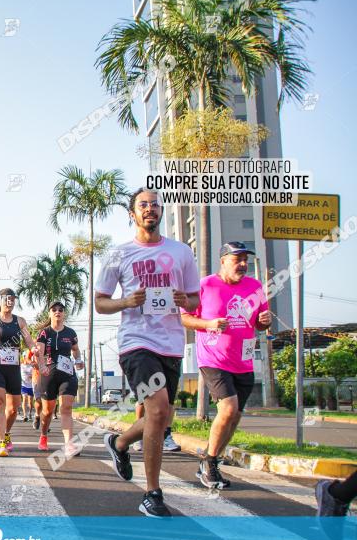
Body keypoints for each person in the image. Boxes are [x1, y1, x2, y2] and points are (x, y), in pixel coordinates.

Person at [95, 188, 199, 517]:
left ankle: (120, 443)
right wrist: (126, 301)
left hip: (171, 343)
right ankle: (152, 493)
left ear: (161, 212)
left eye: (155, 205)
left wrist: (186, 301)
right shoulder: (118, 254)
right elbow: (100, 302)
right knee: (156, 411)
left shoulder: (181, 252)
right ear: (133, 214)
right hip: (135, 342)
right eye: (143, 205)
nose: (150, 209)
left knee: (162, 414)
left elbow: (196, 299)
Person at [181, 241, 271, 488]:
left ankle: (211, 460)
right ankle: (209, 463)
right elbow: (185, 318)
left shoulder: (255, 287)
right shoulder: (205, 285)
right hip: (213, 359)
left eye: (245, 259)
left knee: (235, 417)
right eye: (236, 259)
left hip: (243, 360)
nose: (242, 264)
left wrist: (264, 320)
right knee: (228, 409)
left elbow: (261, 323)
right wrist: (209, 324)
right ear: (223, 261)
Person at [0, 288, 39, 457]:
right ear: (0, 301)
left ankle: (6, 434)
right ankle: (1, 444)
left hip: (13, 367)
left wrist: (34, 348)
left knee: (13, 409)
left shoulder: (19, 321)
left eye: (13, 299)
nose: (10, 301)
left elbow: (28, 339)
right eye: (7, 299)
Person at [35, 302, 84, 456]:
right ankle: (43, 435)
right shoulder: (44, 333)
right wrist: (42, 366)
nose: (57, 312)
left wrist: (78, 360)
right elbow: (40, 353)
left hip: (67, 374)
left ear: (64, 314)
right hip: (49, 374)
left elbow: (75, 350)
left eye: (60, 310)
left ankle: (69, 444)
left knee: (66, 408)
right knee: (48, 411)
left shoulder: (70, 333)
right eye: (54, 310)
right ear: (49, 313)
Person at [20, 350, 35, 422]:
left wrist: (32, 376)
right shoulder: (21, 366)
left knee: (30, 402)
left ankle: (29, 413)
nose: (27, 358)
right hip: (23, 385)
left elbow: (35, 375)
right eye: (25, 356)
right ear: (23, 357)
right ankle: (25, 415)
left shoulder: (32, 366)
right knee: (25, 398)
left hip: (31, 385)